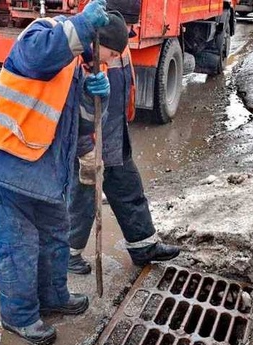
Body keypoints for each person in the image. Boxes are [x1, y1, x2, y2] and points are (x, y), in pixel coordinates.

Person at [0, 2, 127, 345]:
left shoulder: (77, 67)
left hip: (43, 170)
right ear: (93, 38)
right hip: (7, 161)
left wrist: (90, 99)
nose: (102, 64)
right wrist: (82, 25)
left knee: (55, 235)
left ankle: (54, 296)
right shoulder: (41, 35)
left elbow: (74, 127)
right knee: (18, 246)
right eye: (104, 56)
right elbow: (39, 58)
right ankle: (20, 317)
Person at [67, 3, 181, 275]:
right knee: (82, 199)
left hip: (114, 134)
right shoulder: (81, 54)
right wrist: (85, 147)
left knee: (129, 187)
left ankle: (144, 246)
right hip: (90, 139)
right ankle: (67, 254)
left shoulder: (118, 39)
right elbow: (73, 109)